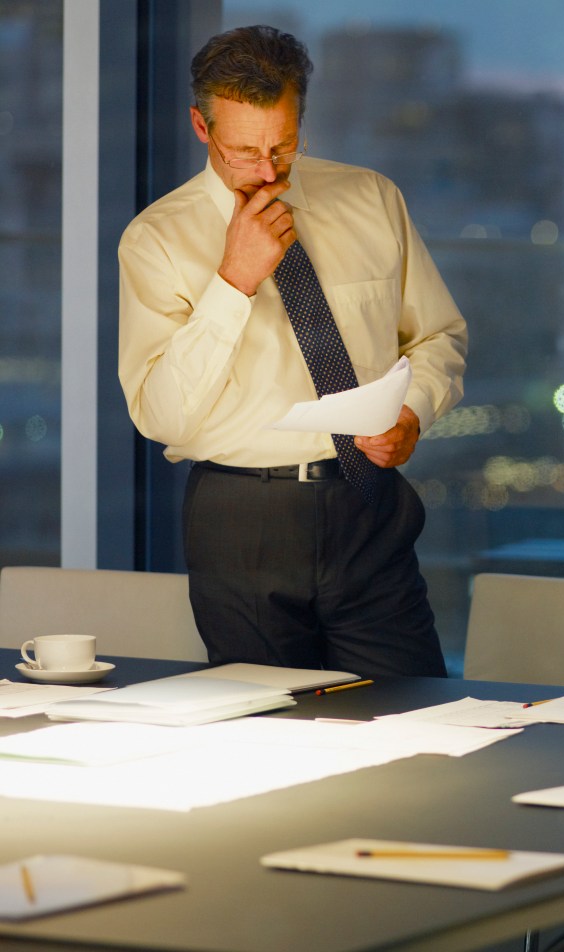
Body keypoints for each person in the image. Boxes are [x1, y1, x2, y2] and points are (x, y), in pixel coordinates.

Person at [117, 25, 467, 678]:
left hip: (366, 504)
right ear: (201, 126)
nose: (267, 169)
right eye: (243, 150)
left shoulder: (371, 199)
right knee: (267, 734)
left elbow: (437, 336)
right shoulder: (156, 240)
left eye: (282, 144)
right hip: (242, 517)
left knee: (415, 714)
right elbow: (158, 416)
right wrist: (232, 282)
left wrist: (413, 413)